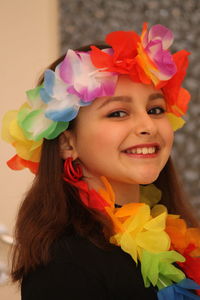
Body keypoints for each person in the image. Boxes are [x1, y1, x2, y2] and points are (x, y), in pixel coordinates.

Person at [2, 23, 200, 299]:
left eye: (155, 110)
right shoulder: (65, 265)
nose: (149, 126)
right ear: (67, 143)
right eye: (118, 113)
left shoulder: (174, 240)